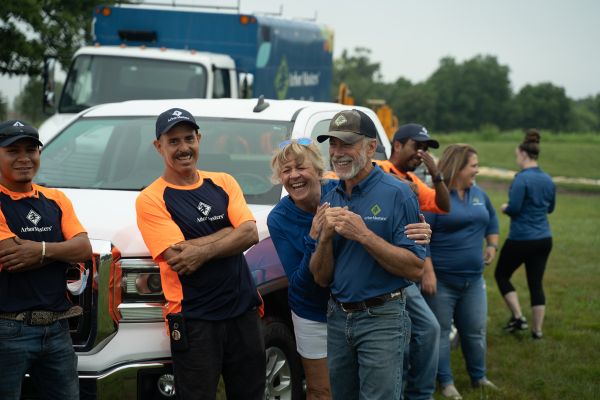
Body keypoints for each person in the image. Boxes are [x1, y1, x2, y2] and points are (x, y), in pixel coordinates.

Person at [268, 138, 431, 399]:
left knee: (366, 385)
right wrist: (314, 239)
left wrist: (418, 228)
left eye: (301, 167)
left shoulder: (338, 192)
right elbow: (301, 284)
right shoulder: (279, 217)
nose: (294, 176)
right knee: (323, 390)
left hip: (358, 305)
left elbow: (387, 197)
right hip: (312, 311)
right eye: (286, 171)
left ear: (319, 171)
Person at [135, 108, 265, 400]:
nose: (184, 148)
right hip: (195, 319)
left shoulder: (223, 182)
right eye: (174, 141)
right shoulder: (151, 199)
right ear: (159, 146)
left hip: (243, 312)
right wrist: (228, 233)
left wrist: (201, 247)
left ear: (199, 138)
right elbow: (180, 258)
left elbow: (250, 234)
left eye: (189, 138)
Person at [309, 109, 426, 400]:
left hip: (382, 319)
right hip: (338, 317)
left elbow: (414, 268)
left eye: (347, 143)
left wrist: (363, 234)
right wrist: (325, 239)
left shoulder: (399, 194)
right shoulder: (331, 194)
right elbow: (321, 278)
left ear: (371, 147)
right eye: (333, 144)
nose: (338, 152)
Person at [0, 120, 92, 400]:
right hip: (7, 331)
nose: (24, 158)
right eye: (13, 150)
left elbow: (84, 249)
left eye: (31, 149)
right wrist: (61, 250)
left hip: (57, 331)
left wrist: (38, 251)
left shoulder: (56, 199)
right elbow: (10, 257)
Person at [376, 123, 450, 400]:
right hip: (383, 269)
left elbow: (444, 205)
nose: (421, 153)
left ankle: (419, 393)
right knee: (405, 339)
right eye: (416, 146)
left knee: (428, 329)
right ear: (397, 145)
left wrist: (435, 173)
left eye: (425, 149)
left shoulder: (414, 180)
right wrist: (398, 186)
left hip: (404, 271)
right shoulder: (379, 168)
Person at [421, 144, 499, 400]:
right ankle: (446, 382)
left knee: (476, 330)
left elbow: (492, 220)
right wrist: (428, 272)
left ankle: (479, 377)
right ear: (458, 167)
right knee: (442, 333)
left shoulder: (479, 195)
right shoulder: (437, 197)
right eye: (473, 166)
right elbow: (423, 239)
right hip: (442, 281)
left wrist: (492, 245)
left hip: (474, 280)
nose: (477, 170)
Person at [494, 129, 555, 340]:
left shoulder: (521, 179)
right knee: (536, 284)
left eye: (516, 155)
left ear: (523, 154)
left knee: (501, 275)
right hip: (544, 238)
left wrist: (505, 207)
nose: (516, 158)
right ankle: (537, 332)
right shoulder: (548, 179)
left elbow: (515, 208)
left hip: (522, 238)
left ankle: (518, 317)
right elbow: (550, 208)